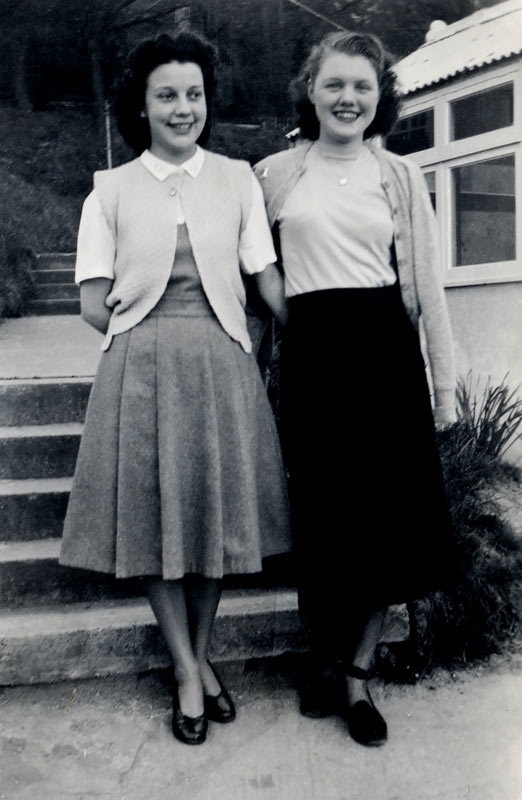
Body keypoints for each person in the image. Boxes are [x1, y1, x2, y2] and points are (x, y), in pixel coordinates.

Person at [60, 30, 291, 746]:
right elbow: (92, 301)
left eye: (194, 94)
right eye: (167, 95)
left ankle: (200, 654)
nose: (183, 107)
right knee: (156, 524)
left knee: (212, 521)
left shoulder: (238, 179)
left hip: (223, 363)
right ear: (142, 105)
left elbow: (266, 280)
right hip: (142, 369)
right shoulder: (110, 191)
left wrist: (328, 325)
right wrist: (141, 323)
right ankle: (190, 669)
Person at [254, 31, 456, 747]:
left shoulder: (398, 175)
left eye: (363, 87)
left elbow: (426, 283)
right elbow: (257, 275)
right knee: (323, 519)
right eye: (335, 84)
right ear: (310, 89)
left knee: (386, 521)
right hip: (312, 357)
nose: (348, 98)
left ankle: (359, 676)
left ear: (380, 97)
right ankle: (324, 659)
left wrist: (447, 385)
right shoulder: (275, 172)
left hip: (385, 356)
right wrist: (283, 334)